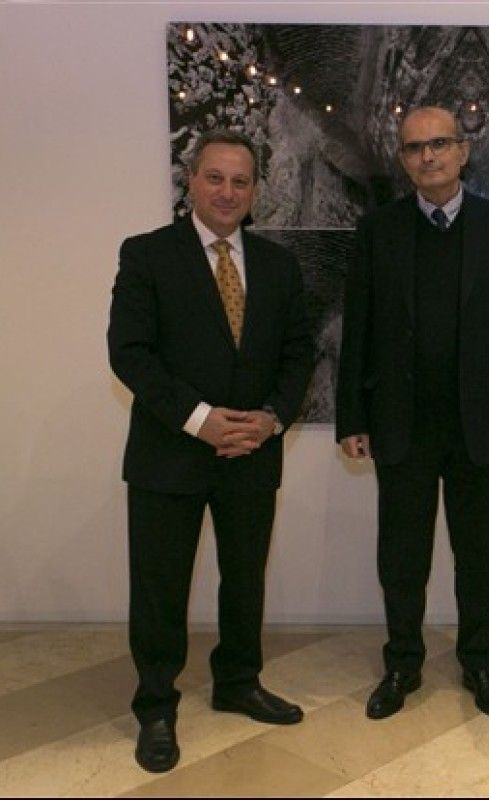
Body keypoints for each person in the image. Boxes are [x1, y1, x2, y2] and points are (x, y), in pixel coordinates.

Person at [108, 130, 314, 773]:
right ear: (191, 181)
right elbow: (130, 353)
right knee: (160, 589)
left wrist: (270, 420)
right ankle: (155, 705)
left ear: (255, 191)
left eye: (241, 181)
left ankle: (238, 682)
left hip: (252, 453)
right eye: (215, 178)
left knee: (245, 579)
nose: (228, 192)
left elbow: (299, 354)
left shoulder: (278, 266)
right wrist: (200, 422)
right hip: (168, 454)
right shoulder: (146, 254)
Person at [336, 106, 489, 721]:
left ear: (463, 151)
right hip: (401, 424)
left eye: (439, 144)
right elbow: (358, 328)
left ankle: (479, 661)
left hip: (480, 425)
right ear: (402, 160)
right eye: (414, 147)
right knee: (402, 556)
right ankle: (402, 662)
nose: (428, 156)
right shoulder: (378, 230)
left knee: (482, 554)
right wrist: (352, 417)